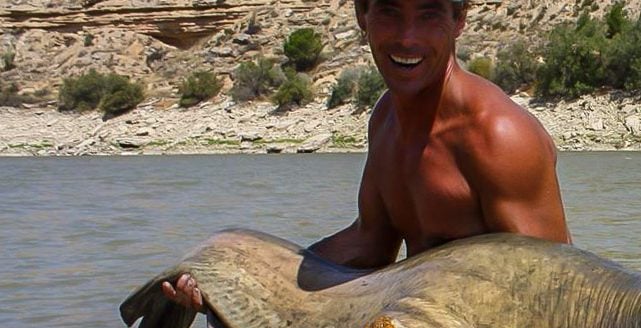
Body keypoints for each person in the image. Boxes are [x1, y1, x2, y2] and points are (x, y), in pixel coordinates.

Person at [164, 0, 570, 310]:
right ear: (362, 14)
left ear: (459, 20)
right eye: (390, 13)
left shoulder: (497, 135)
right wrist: (239, 280)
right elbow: (370, 243)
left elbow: (561, 293)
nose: (407, 38)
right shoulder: (386, 120)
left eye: (428, 15)